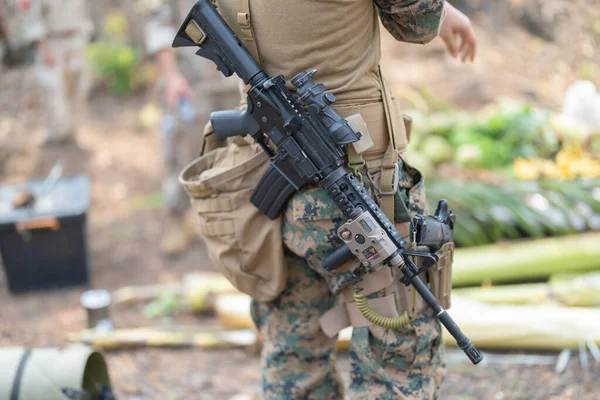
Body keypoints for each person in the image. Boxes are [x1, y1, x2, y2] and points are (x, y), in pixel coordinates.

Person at [183, 1, 477, 399]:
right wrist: (441, 13)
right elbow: (418, 23)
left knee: (294, 360)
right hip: (361, 182)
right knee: (398, 361)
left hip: (267, 185)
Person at [144, 1, 239, 256]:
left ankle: (231, 222)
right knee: (184, 152)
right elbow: (158, 24)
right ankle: (178, 219)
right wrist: (171, 75)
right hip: (190, 84)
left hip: (237, 80)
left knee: (240, 156)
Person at [22, 0, 92, 147]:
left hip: (75, 41)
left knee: (76, 88)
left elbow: (84, 16)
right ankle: (56, 134)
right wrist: (45, 49)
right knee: (52, 88)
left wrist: (82, 45)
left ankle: (73, 132)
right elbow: (34, 19)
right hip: (52, 43)